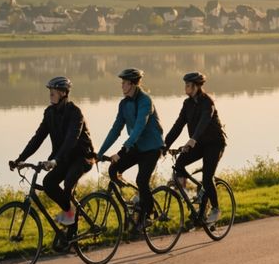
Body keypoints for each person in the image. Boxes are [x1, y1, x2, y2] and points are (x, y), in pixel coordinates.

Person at [10, 76, 95, 226]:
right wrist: (20, 159)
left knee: (68, 182)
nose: (50, 95)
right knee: (48, 182)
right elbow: (37, 138)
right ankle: (69, 214)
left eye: (53, 92)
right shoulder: (50, 113)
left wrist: (55, 160)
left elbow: (71, 139)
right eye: (49, 92)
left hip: (82, 157)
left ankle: (70, 215)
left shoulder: (75, 113)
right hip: (64, 158)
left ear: (63, 93)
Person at [97, 67, 165, 231]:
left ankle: (150, 212)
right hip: (136, 146)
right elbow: (115, 130)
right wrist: (100, 152)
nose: (121, 86)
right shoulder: (124, 104)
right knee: (114, 169)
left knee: (142, 180)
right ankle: (134, 204)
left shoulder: (145, 101)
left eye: (124, 83)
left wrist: (123, 149)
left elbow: (139, 127)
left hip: (152, 148)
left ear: (132, 84)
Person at [164, 71, 227, 223]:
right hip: (198, 143)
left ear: (197, 86)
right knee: (179, 164)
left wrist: (192, 139)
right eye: (185, 84)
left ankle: (215, 208)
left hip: (214, 143)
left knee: (207, 177)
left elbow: (204, 122)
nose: (185, 87)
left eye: (188, 85)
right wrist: (164, 145)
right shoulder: (187, 104)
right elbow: (178, 125)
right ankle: (193, 193)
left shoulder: (207, 102)